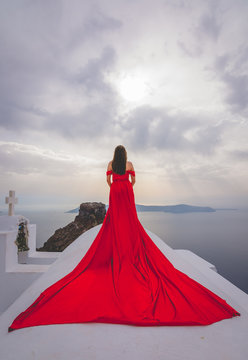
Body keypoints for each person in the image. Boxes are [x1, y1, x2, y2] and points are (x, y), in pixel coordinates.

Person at [8, 145, 240, 332]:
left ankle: (118, 225)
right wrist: (126, 183)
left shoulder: (110, 164)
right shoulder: (129, 165)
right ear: (125, 156)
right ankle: (128, 228)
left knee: (114, 219)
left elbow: (108, 181)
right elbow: (134, 182)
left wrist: (115, 184)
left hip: (115, 192)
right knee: (130, 220)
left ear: (114, 156)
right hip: (126, 191)